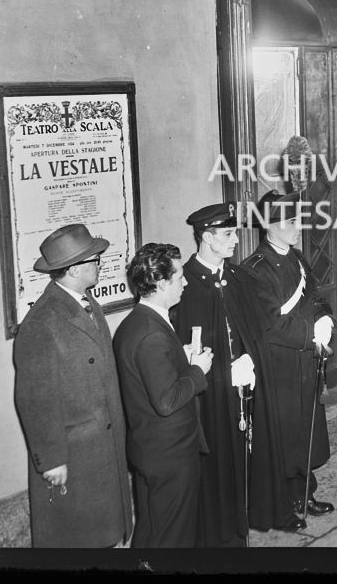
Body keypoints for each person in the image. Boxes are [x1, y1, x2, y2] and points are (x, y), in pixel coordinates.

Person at [172, 203, 303, 545]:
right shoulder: (185, 286)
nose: (235, 240)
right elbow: (183, 353)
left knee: (249, 460)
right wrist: (222, 374)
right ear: (206, 237)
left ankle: (248, 520)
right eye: (227, 234)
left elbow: (256, 330)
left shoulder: (238, 277)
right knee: (219, 468)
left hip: (247, 391)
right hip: (213, 400)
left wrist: (250, 361)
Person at [12, 224, 133, 548]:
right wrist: (51, 459)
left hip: (102, 446)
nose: (100, 264)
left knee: (106, 535)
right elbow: (35, 400)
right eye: (95, 259)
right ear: (76, 268)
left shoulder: (86, 303)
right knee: (79, 540)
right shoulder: (42, 322)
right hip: (75, 454)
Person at [240, 190, 336, 521]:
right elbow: (270, 324)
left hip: (305, 362)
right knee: (283, 437)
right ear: (271, 225)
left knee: (305, 432)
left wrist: (324, 318)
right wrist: (311, 335)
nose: (299, 228)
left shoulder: (297, 258)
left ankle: (304, 494)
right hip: (280, 365)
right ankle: (282, 504)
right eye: (293, 222)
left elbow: (316, 295)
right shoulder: (253, 269)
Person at [113, 242, 214, 548]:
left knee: (152, 532)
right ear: (160, 283)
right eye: (180, 276)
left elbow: (151, 378)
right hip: (170, 456)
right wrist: (198, 370)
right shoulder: (153, 333)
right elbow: (166, 400)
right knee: (173, 538)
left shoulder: (136, 323)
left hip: (151, 451)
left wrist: (180, 358)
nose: (185, 282)